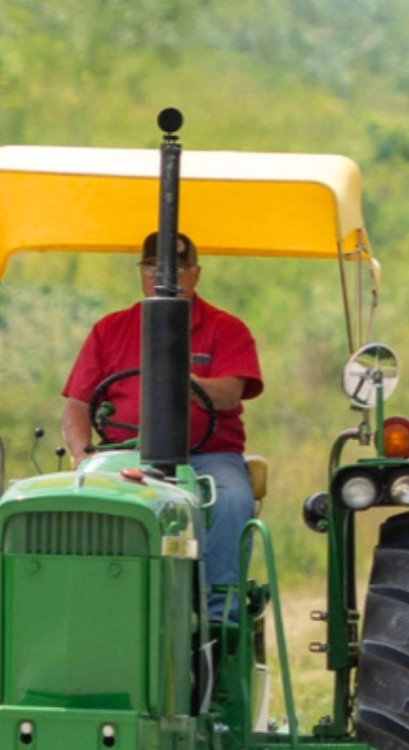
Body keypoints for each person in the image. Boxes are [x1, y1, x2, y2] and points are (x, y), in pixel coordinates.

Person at [62, 230, 264, 617]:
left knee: (232, 499)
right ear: (141, 272)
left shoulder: (226, 329)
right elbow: (77, 404)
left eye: (178, 266)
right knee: (81, 501)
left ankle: (220, 614)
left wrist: (180, 381)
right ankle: (95, 608)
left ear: (196, 274)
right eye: (153, 266)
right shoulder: (110, 330)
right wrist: (82, 453)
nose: (164, 275)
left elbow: (230, 393)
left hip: (207, 455)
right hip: (123, 455)